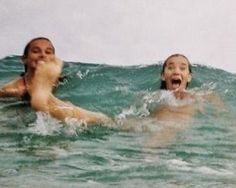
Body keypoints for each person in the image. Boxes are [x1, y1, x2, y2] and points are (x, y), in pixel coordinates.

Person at [0, 37, 111, 125]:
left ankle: (42, 95)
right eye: (35, 51)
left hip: (41, 109)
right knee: (102, 119)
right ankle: (42, 96)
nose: (43, 55)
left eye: (48, 52)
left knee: (102, 119)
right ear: (24, 59)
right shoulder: (13, 89)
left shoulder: (59, 80)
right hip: (20, 111)